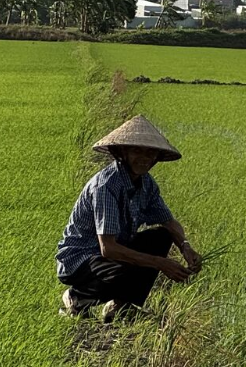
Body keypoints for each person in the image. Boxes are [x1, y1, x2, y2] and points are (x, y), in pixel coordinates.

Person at [56, 115, 203, 320]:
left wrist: (185, 246)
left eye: (150, 153)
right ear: (121, 153)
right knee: (125, 270)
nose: (144, 158)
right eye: (136, 151)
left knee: (162, 236)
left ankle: (121, 306)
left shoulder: (147, 184)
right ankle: (76, 298)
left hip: (111, 253)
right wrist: (161, 263)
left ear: (156, 158)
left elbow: (169, 222)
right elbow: (108, 248)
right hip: (81, 259)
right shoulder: (106, 186)